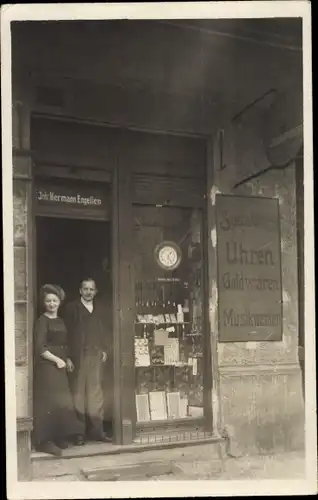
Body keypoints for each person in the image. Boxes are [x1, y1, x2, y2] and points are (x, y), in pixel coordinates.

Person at [33, 284, 84, 456]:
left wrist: (67, 358)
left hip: (60, 365)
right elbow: (40, 347)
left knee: (61, 402)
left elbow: (64, 343)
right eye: (48, 301)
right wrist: (56, 360)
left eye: (55, 300)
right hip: (47, 367)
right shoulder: (42, 321)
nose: (52, 304)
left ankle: (58, 436)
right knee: (49, 402)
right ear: (44, 303)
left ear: (59, 302)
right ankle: (44, 441)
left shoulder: (61, 321)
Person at [63, 278, 111, 443]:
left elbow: (104, 331)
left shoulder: (100, 308)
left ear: (95, 291)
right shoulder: (71, 308)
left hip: (95, 355)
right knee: (78, 395)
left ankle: (98, 432)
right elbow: (65, 333)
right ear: (80, 291)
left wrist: (104, 348)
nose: (88, 292)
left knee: (96, 394)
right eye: (85, 289)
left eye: (91, 289)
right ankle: (79, 434)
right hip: (78, 356)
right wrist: (67, 356)